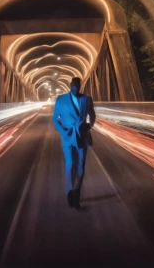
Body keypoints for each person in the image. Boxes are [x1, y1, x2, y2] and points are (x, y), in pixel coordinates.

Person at [52, 77, 96, 209]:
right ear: (70, 86)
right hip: (67, 137)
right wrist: (63, 131)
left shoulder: (86, 99)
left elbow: (92, 114)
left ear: (80, 86)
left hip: (81, 136)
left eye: (78, 86)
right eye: (74, 86)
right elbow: (55, 118)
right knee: (70, 164)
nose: (76, 88)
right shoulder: (61, 99)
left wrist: (90, 125)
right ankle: (70, 191)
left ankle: (76, 194)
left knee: (80, 166)